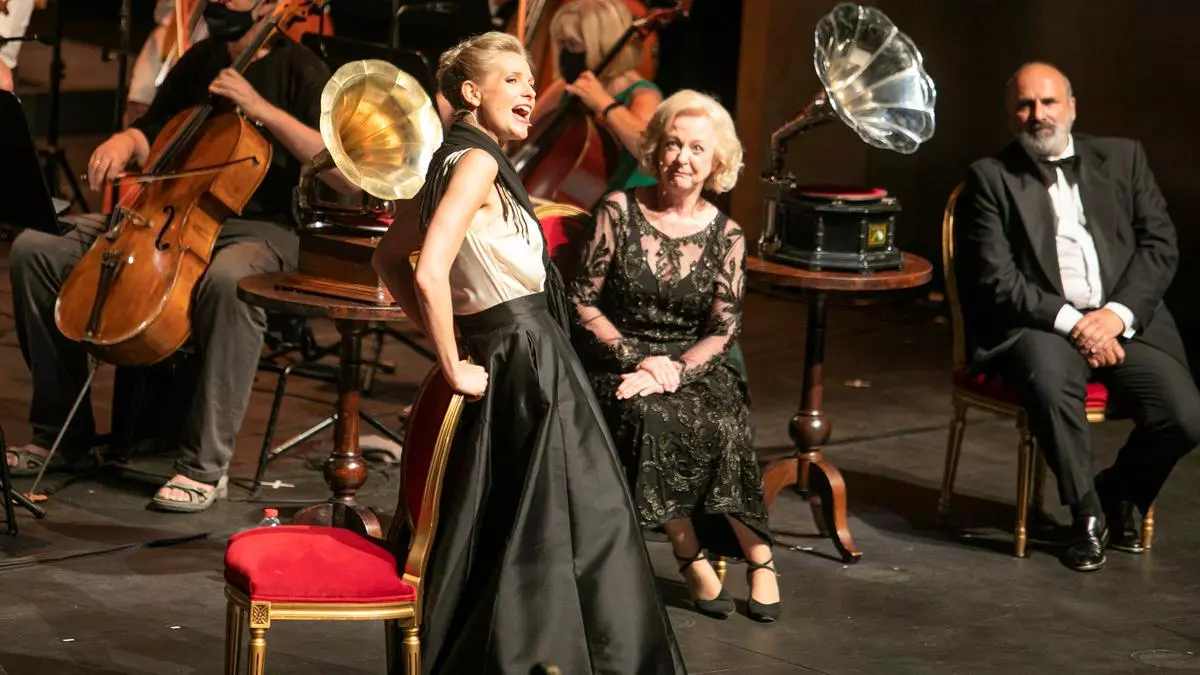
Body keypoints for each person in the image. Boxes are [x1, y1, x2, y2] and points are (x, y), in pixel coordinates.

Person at [371, 31, 687, 675]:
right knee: (578, 521)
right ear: (471, 92)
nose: (529, 90)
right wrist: (451, 360)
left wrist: (456, 346)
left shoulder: (446, 161)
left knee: (515, 519)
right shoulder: (476, 164)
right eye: (512, 79)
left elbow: (387, 259)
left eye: (528, 79)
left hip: (510, 353)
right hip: (527, 356)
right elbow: (425, 270)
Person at [4, 0, 353, 513]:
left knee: (229, 281)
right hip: (167, 213)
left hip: (262, 229)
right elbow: (155, 129)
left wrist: (261, 109)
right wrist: (125, 142)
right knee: (37, 249)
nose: (218, 2)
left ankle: (205, 466)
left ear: (266, 4)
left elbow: (342, 172)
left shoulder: (303, 70)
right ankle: (59, 437)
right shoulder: (201, 59)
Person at [955, 61, 1200, 572]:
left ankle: (1115, 493)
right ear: (1009, 114)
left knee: (1183, 415)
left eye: (1048, 102)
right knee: (1049, 380)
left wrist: (1115, 316)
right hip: (1040, 324)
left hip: (1120, 320)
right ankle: (1085, 513)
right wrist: (1075, 324)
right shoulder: (990, 178)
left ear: (1071, 107)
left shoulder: (1124, 158)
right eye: (1024, 104)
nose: (1037, 114)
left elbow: (1160, 247)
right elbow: (998, 280)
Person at [568, 89, 778, 621]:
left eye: (697, 148)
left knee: (723, 421)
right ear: (656, 150)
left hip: (691, 366)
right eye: (673, 144)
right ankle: (689, 553)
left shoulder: (728, 235)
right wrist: (637, 359)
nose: (683, 158)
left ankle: (760, 555)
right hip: (619, 360)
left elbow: (723, 330)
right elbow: (582, 301)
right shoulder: (618, 210)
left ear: (717, 161)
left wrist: (676, 370)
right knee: (650, 415)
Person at [533, 0, 662, 192]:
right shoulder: (566, 88)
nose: (566, 53)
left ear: (601, 45)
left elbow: (648, 149)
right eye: (562, 44)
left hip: (627, 200)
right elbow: (526, 132)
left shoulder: (643, 95)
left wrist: (604, 103)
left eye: (573, 44)